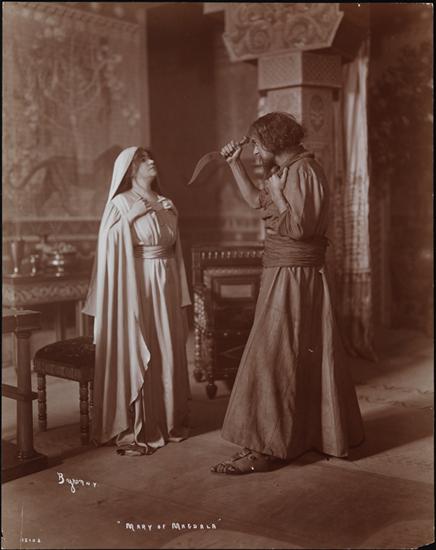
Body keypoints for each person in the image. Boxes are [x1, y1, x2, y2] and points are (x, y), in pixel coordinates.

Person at [211, 112, 364, 474]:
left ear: (274, 141)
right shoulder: (287, 170)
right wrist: (234, 165)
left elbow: (297, 228)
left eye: (256, 145)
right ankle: (288, 439)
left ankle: (267, 448)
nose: (254, 152)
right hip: (287, 273)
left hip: (295, 276)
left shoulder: (304, 171)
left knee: (274, 355)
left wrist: (279, 195)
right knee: (286, 354)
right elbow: (255, 201)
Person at [83, 146, 191, 456]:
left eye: (150, 157)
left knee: (167, 341)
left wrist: (172, 215)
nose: (152, 161)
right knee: (144, 343)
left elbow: (172, 247)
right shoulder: (121, 203)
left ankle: (169, 418)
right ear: (131, 169)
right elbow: (107, 246)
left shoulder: (165, 202)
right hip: (138, 284)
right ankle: (141, 420)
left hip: (166, 282)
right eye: (143, 160)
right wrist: (130, 218)